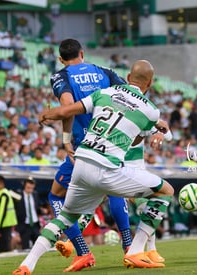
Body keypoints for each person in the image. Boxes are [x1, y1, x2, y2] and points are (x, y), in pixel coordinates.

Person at [13, 60, 173, 274]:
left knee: (64, 218)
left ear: (127, 77)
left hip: (82, 163)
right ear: (150, 83)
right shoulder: (151, 110)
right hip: (108, 167)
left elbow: (67, 111)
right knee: (166, 191)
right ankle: (135, 250)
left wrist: (46, 115)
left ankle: (26, 265)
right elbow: (135, 141)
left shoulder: (104, 93)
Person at [46, 38, 132, 263]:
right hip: (111, 141)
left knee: (55, 195)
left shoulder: (61, 76)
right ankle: (129, 245)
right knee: (114, 189)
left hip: (83, 147)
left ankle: (83, 251)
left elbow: (66, 109)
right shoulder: (105, 71)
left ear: (60, 59)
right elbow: (131, 97)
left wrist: (66, 141)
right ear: (82, 53)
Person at [0, 175, 18, 252]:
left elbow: (3, 212)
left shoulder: (3, 194)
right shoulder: (0, 194)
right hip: (3, 225)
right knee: (3, 248)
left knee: (5, 248)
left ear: (2, 184)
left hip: (4, 225)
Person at [14, 178, 41, 250]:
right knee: (25, 246)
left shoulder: (35, 194)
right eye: (28, 188)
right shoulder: (18, 195)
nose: (30, 190)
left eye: (32, 188)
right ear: (24, 186)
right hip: (24, 225)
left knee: (38, 245)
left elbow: (37, 208)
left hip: (35, 224)